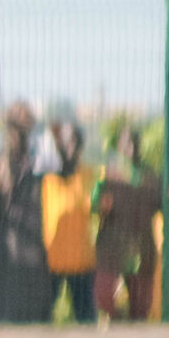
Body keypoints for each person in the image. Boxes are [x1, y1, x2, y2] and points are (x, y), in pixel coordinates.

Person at [0, 107, 43, 325]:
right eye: (17, 130)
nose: (22, 137)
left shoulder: (34, 168)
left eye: (26, 131)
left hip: (29, 263)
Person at [94, 129, 161, 324]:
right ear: (120, 147)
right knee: (104, 294)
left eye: (135, 142)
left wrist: (168, 195)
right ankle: (116, 323)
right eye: (127, 143)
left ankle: (135, 335)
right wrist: (101, 206)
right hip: (112, 244)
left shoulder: (151, 177)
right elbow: (95, 203)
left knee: (140, 304)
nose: (131, 147)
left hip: (142, 245)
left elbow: (163, 203)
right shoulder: (108, 174)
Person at [40, 121, 99, 323]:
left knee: (86, 321)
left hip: (81, 262)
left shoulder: (90, 175)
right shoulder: (46, 178)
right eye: (65, 142)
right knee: (43, 321)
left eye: (74, 141)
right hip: (51, 262)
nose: (69, 146)